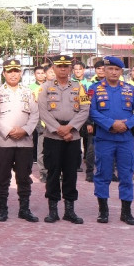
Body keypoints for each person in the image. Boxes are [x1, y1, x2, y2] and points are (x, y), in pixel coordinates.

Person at [88, 56, 134, 225]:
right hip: (104, 139)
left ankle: (126, 212)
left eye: (117, 70)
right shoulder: (94, 89)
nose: (113, 72)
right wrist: (110, 124)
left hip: (125, 139)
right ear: (104, 70)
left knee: (127, 175)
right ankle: (103, 211)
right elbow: (91, 111)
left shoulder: (130, 89)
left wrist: (127, 124)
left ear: (122, 72)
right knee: (102, 174)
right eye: (110, 69)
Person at [37, 54, 90, 224]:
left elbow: (84, 109)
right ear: (53, 69)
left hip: (72, 136)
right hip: (53, 136)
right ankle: (53, 210)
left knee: (70, 173)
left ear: (70, 69)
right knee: (53, 173)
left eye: (66, 66)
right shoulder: (45, 87)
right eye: (59, 66)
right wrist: (58, 129)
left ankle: (70, 210)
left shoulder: (79, 87)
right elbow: (43, 111)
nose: (62, 69)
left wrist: (70, 128)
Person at [0, 59, 39, 223]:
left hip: (25, 141)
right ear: (4, 73)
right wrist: (9, 131)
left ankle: (24, 209)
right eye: (9, 71)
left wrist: (24, 130)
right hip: (4, 141)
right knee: (2, 176)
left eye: (16, 71)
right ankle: (2, 210)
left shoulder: (28, 93)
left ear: (21, 73)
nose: (13, 74)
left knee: (24, 177)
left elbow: (35, 115)